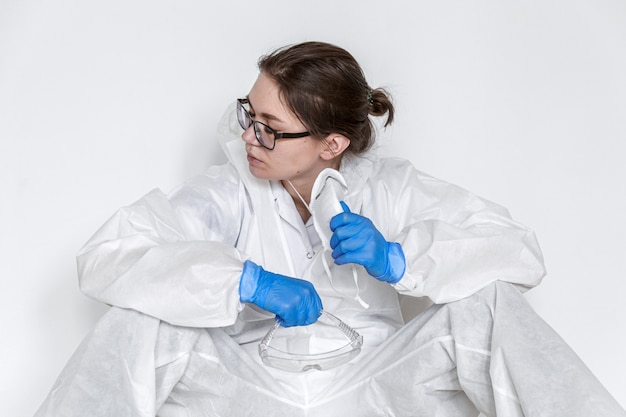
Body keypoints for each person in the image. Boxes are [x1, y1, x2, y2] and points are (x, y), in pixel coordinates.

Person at [35, 41, 625, 417]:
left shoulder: (391, 187)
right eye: (249, 115)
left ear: (332, 144)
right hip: (250, 385)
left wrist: (401, 258)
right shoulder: (230, 189)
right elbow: (109, 255)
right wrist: (245, 281)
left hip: (373, 383)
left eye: (270, 127)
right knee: (139, 314)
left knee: (489, 303)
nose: (249, 138)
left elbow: (519, 252)